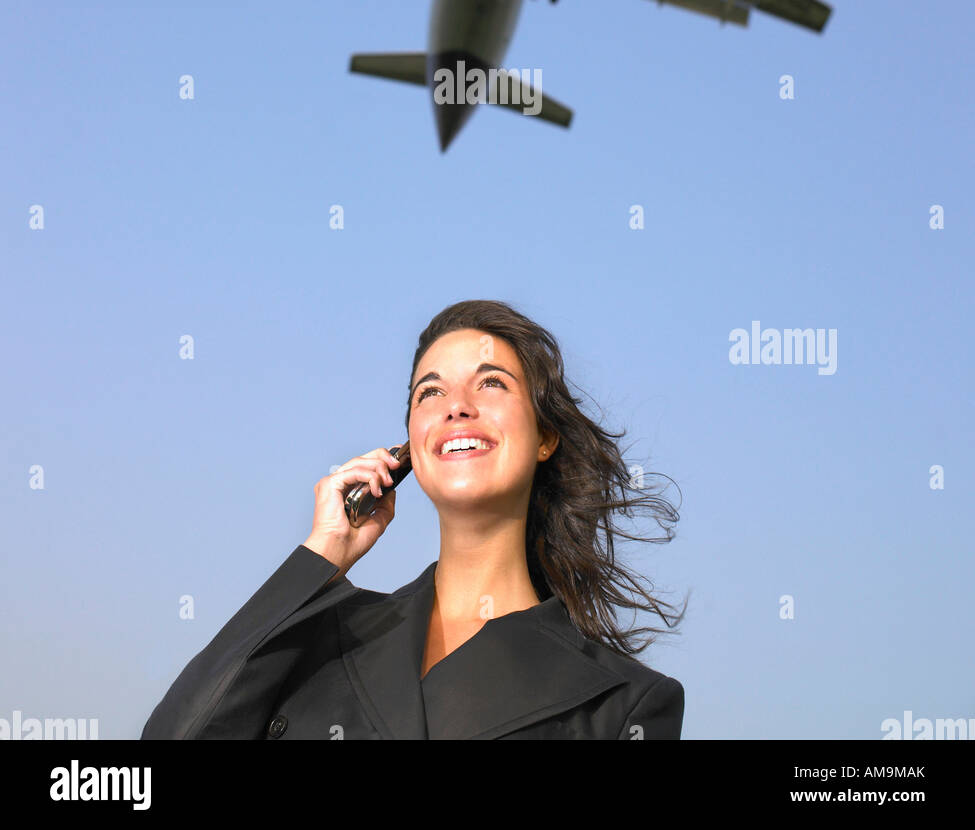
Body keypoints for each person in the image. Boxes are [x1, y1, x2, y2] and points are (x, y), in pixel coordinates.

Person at [141, 299, 686, 740]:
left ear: (545, 437)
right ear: (409, 448)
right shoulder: (323, 633)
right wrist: (321, 556)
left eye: (491, 383)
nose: (456, 406)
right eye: (431, 392)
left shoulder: (622, 701)